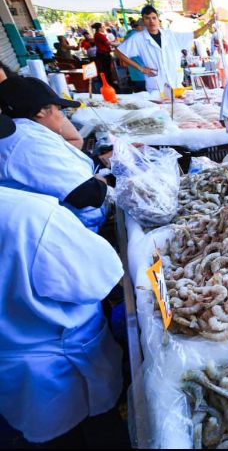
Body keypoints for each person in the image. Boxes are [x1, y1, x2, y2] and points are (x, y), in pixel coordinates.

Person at [0, 184, 124, 444]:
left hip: (14, 377)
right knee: (95, 435)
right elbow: (102, 276)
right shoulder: (29, 215)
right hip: (62, 377)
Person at [0, 76, 109, 232]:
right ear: (41, 112)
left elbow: (63, 166)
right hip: (72, 231)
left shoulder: (27, 132)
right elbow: (90, 195)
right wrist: (102, 179)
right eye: (59, 109)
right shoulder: (29, 142)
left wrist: (103, 160)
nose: (62, 116)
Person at [116, 5, 215, 94]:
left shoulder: (170, 35)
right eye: (147, 18)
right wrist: (140, 68)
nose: (151, 21)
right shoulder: (138, 38)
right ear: (143, 20)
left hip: (176, 85)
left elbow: (195, 35)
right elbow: (119, 52)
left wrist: (209, 23)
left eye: (154, 18)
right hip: (156, 87)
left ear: (158, 19)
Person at [91, 22, 119, 87]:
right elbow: (108, 43)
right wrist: (117, 44)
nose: (103, 28)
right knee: (107, 70)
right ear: (99, 28)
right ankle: (109, 83)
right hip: (103, 54)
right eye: (102, 27)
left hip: (102, 53)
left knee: (106, 69)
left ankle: (109, 82)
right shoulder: (99, 35)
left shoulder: (97, 34)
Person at [123, 18, 146, 92]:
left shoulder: (130, 35)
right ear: (140, 27)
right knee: (144, 94)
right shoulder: (136, 36)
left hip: (136, 72)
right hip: (141, 72)